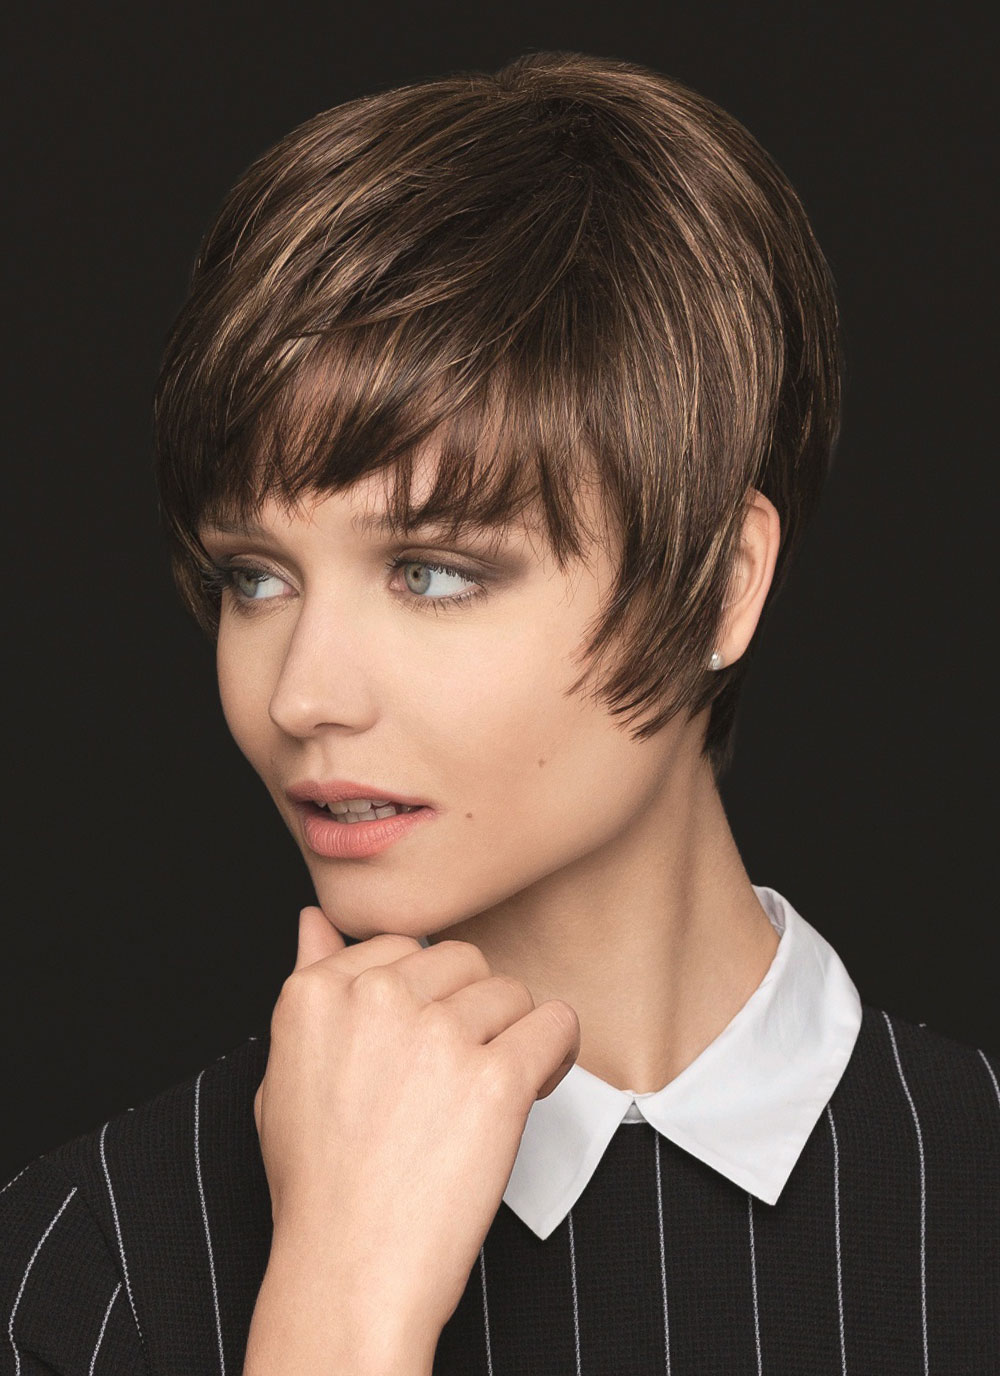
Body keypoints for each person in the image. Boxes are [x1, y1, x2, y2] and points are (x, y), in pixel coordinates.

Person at [2, 48, 997, 1376]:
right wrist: (341, 1306)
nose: (302, 693)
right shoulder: (90, 1264)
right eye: (256, 577)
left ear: (719, 583)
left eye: (432, 572)